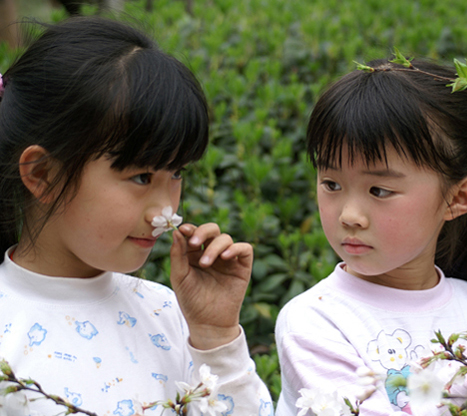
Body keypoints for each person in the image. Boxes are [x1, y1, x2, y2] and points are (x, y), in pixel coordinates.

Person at [275, 58, 467, 415]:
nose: (350, 215)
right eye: (331, 184)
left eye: (379, 190)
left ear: (456, 198)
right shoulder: (313, 321)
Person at [0, 17, 272, 415]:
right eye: (141, 176)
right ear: (43, 174)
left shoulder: (167, 314)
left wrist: (216, 337)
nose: (167, 210)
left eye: (177, 173)